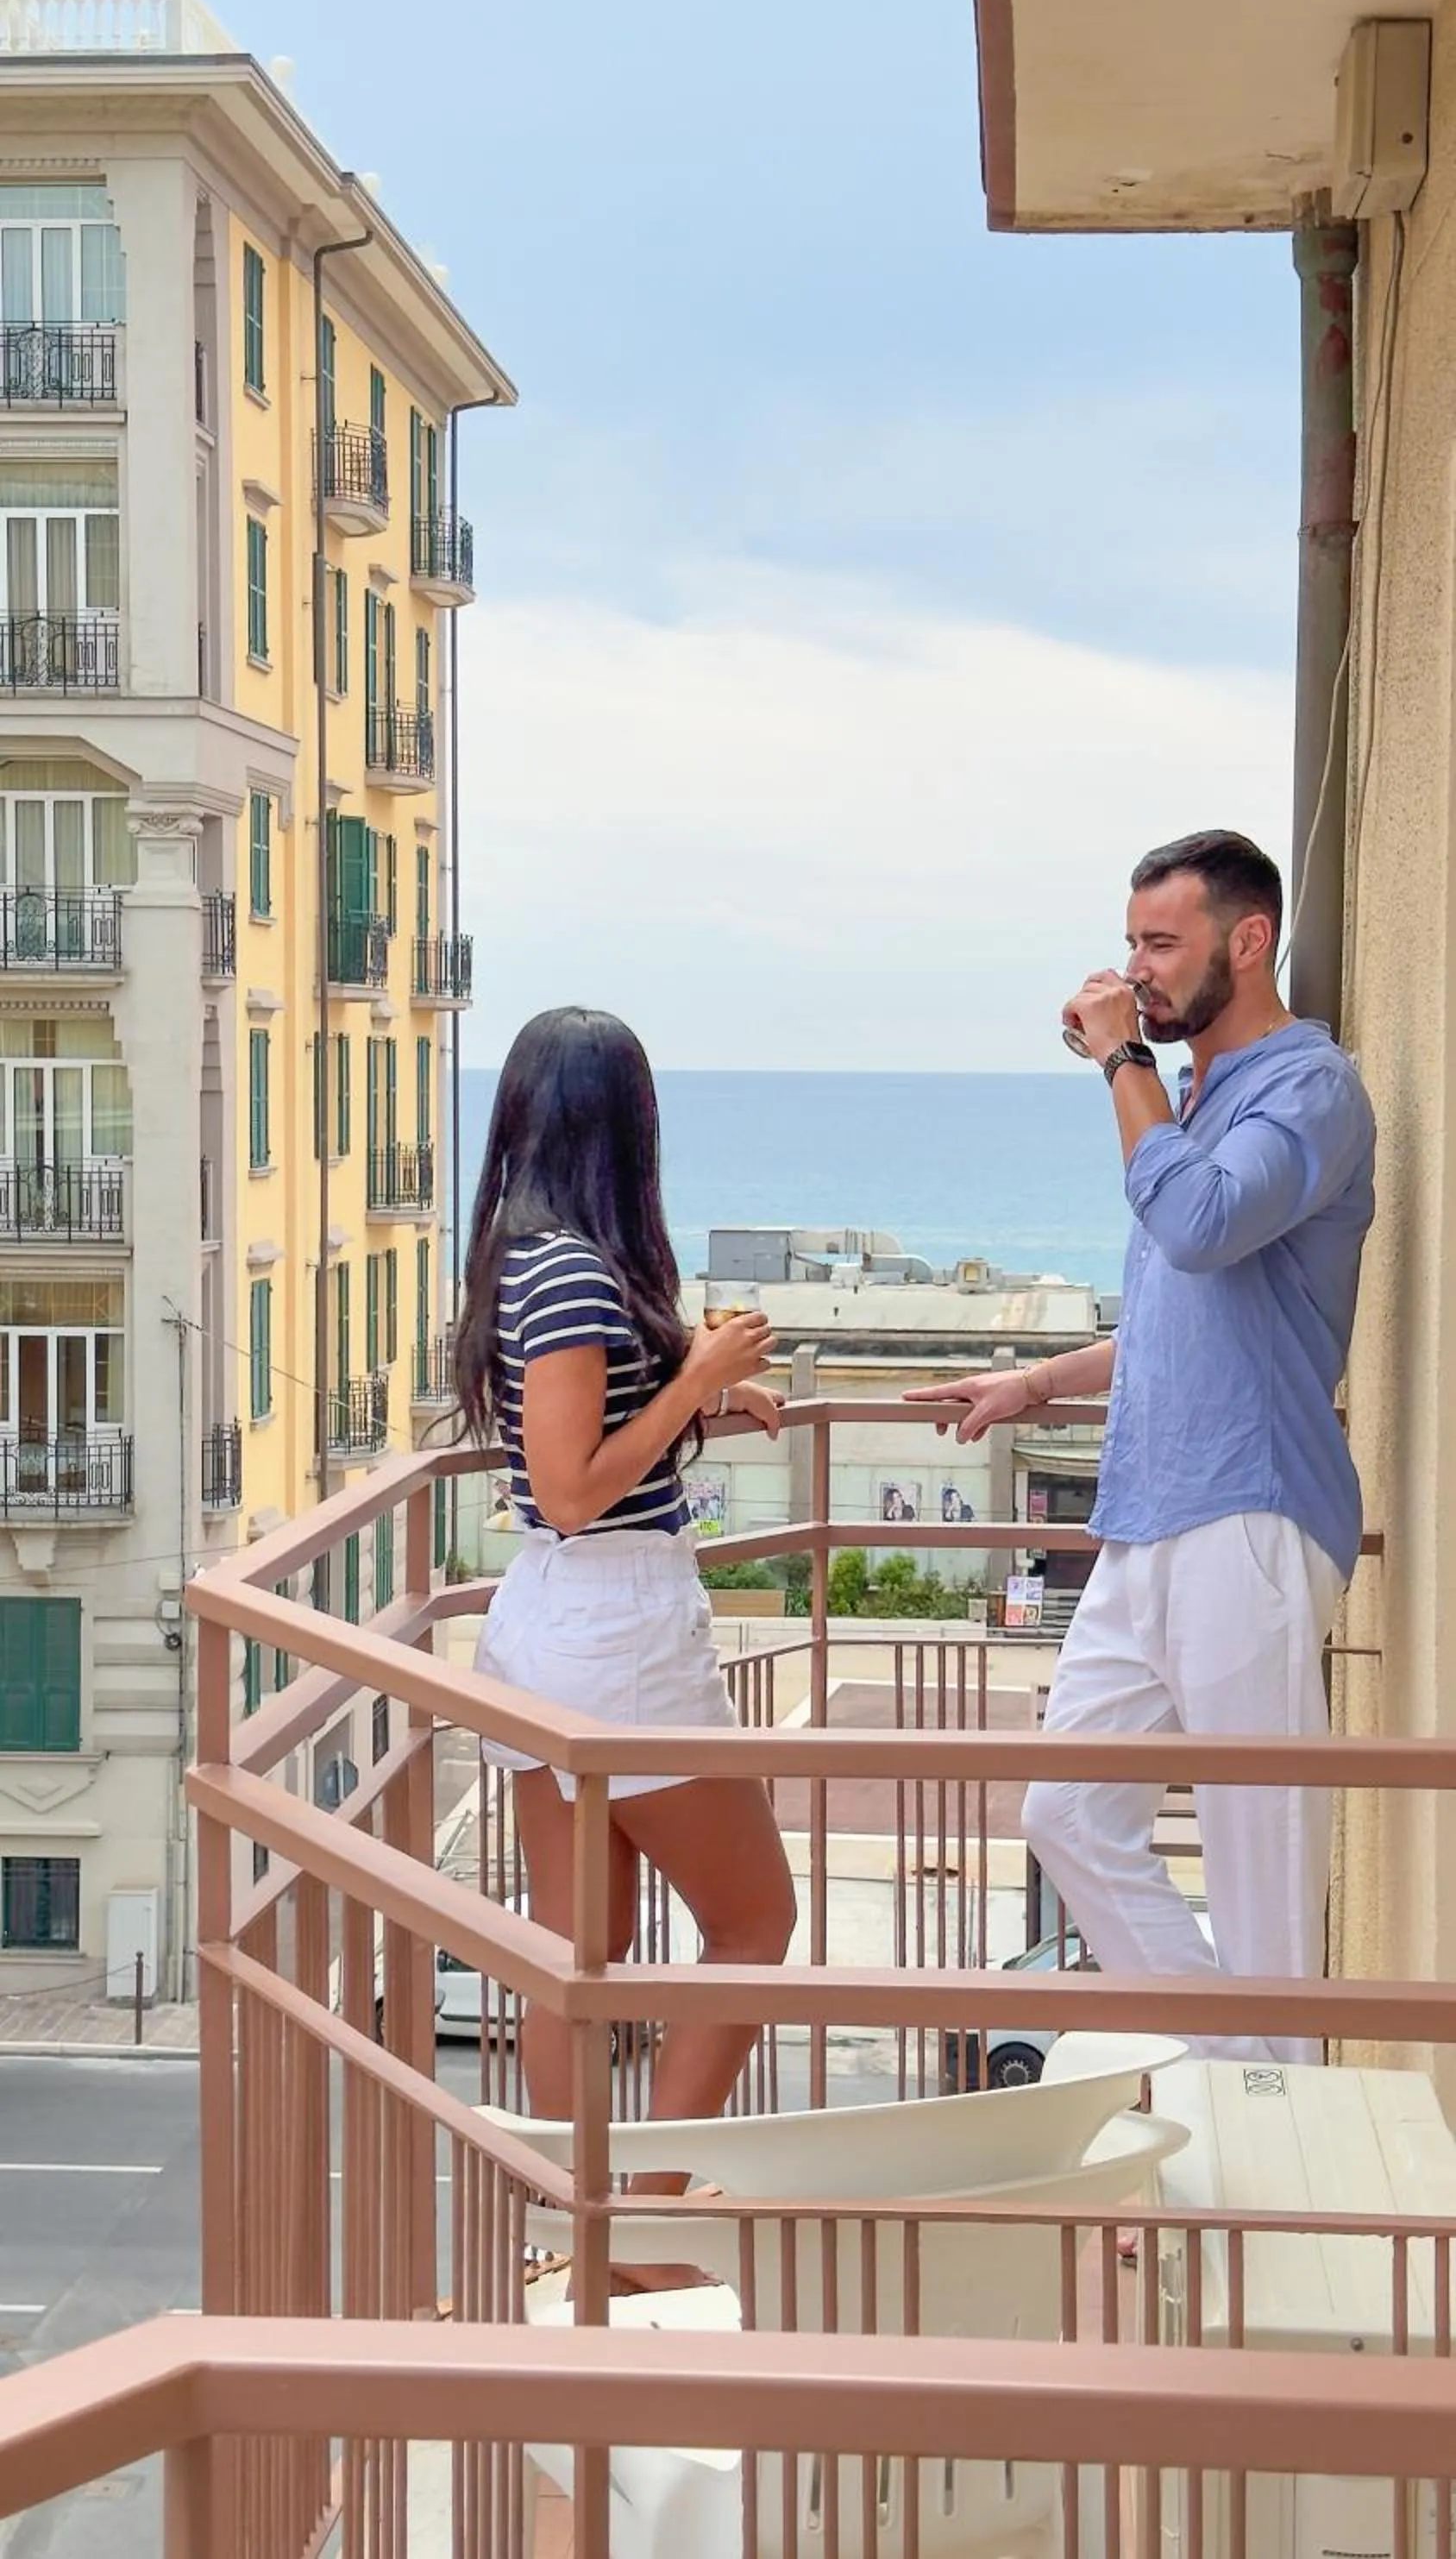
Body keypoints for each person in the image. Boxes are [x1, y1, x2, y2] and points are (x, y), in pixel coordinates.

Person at [910, 831, 1375, 2065]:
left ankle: (1279, 2160)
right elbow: (1185, 1314)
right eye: (1129, 947)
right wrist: (1037, 1380)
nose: (1137, 972)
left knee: (1265, 1879)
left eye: (1160, 945)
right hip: (1150, 1515)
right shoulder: (1198, 1103)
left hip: (1254, 1517)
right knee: (1066, 1814)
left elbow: (1202, 1223)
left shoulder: (1305, 1088)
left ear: (1248, 940)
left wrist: (1123, 1060)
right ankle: (1239, 2064)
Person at [455, 1007, 797, 2262]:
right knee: (755, 1922)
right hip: (616, 1627)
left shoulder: (528, 1257)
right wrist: (698, 1380)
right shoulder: (579, 1271)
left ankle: (579, 2225)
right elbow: (571, 1484)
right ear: (626, 1126)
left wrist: (692, 1386)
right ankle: (641, 2226)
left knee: (578, 1952)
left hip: (558, 1619)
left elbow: (579, 1441)